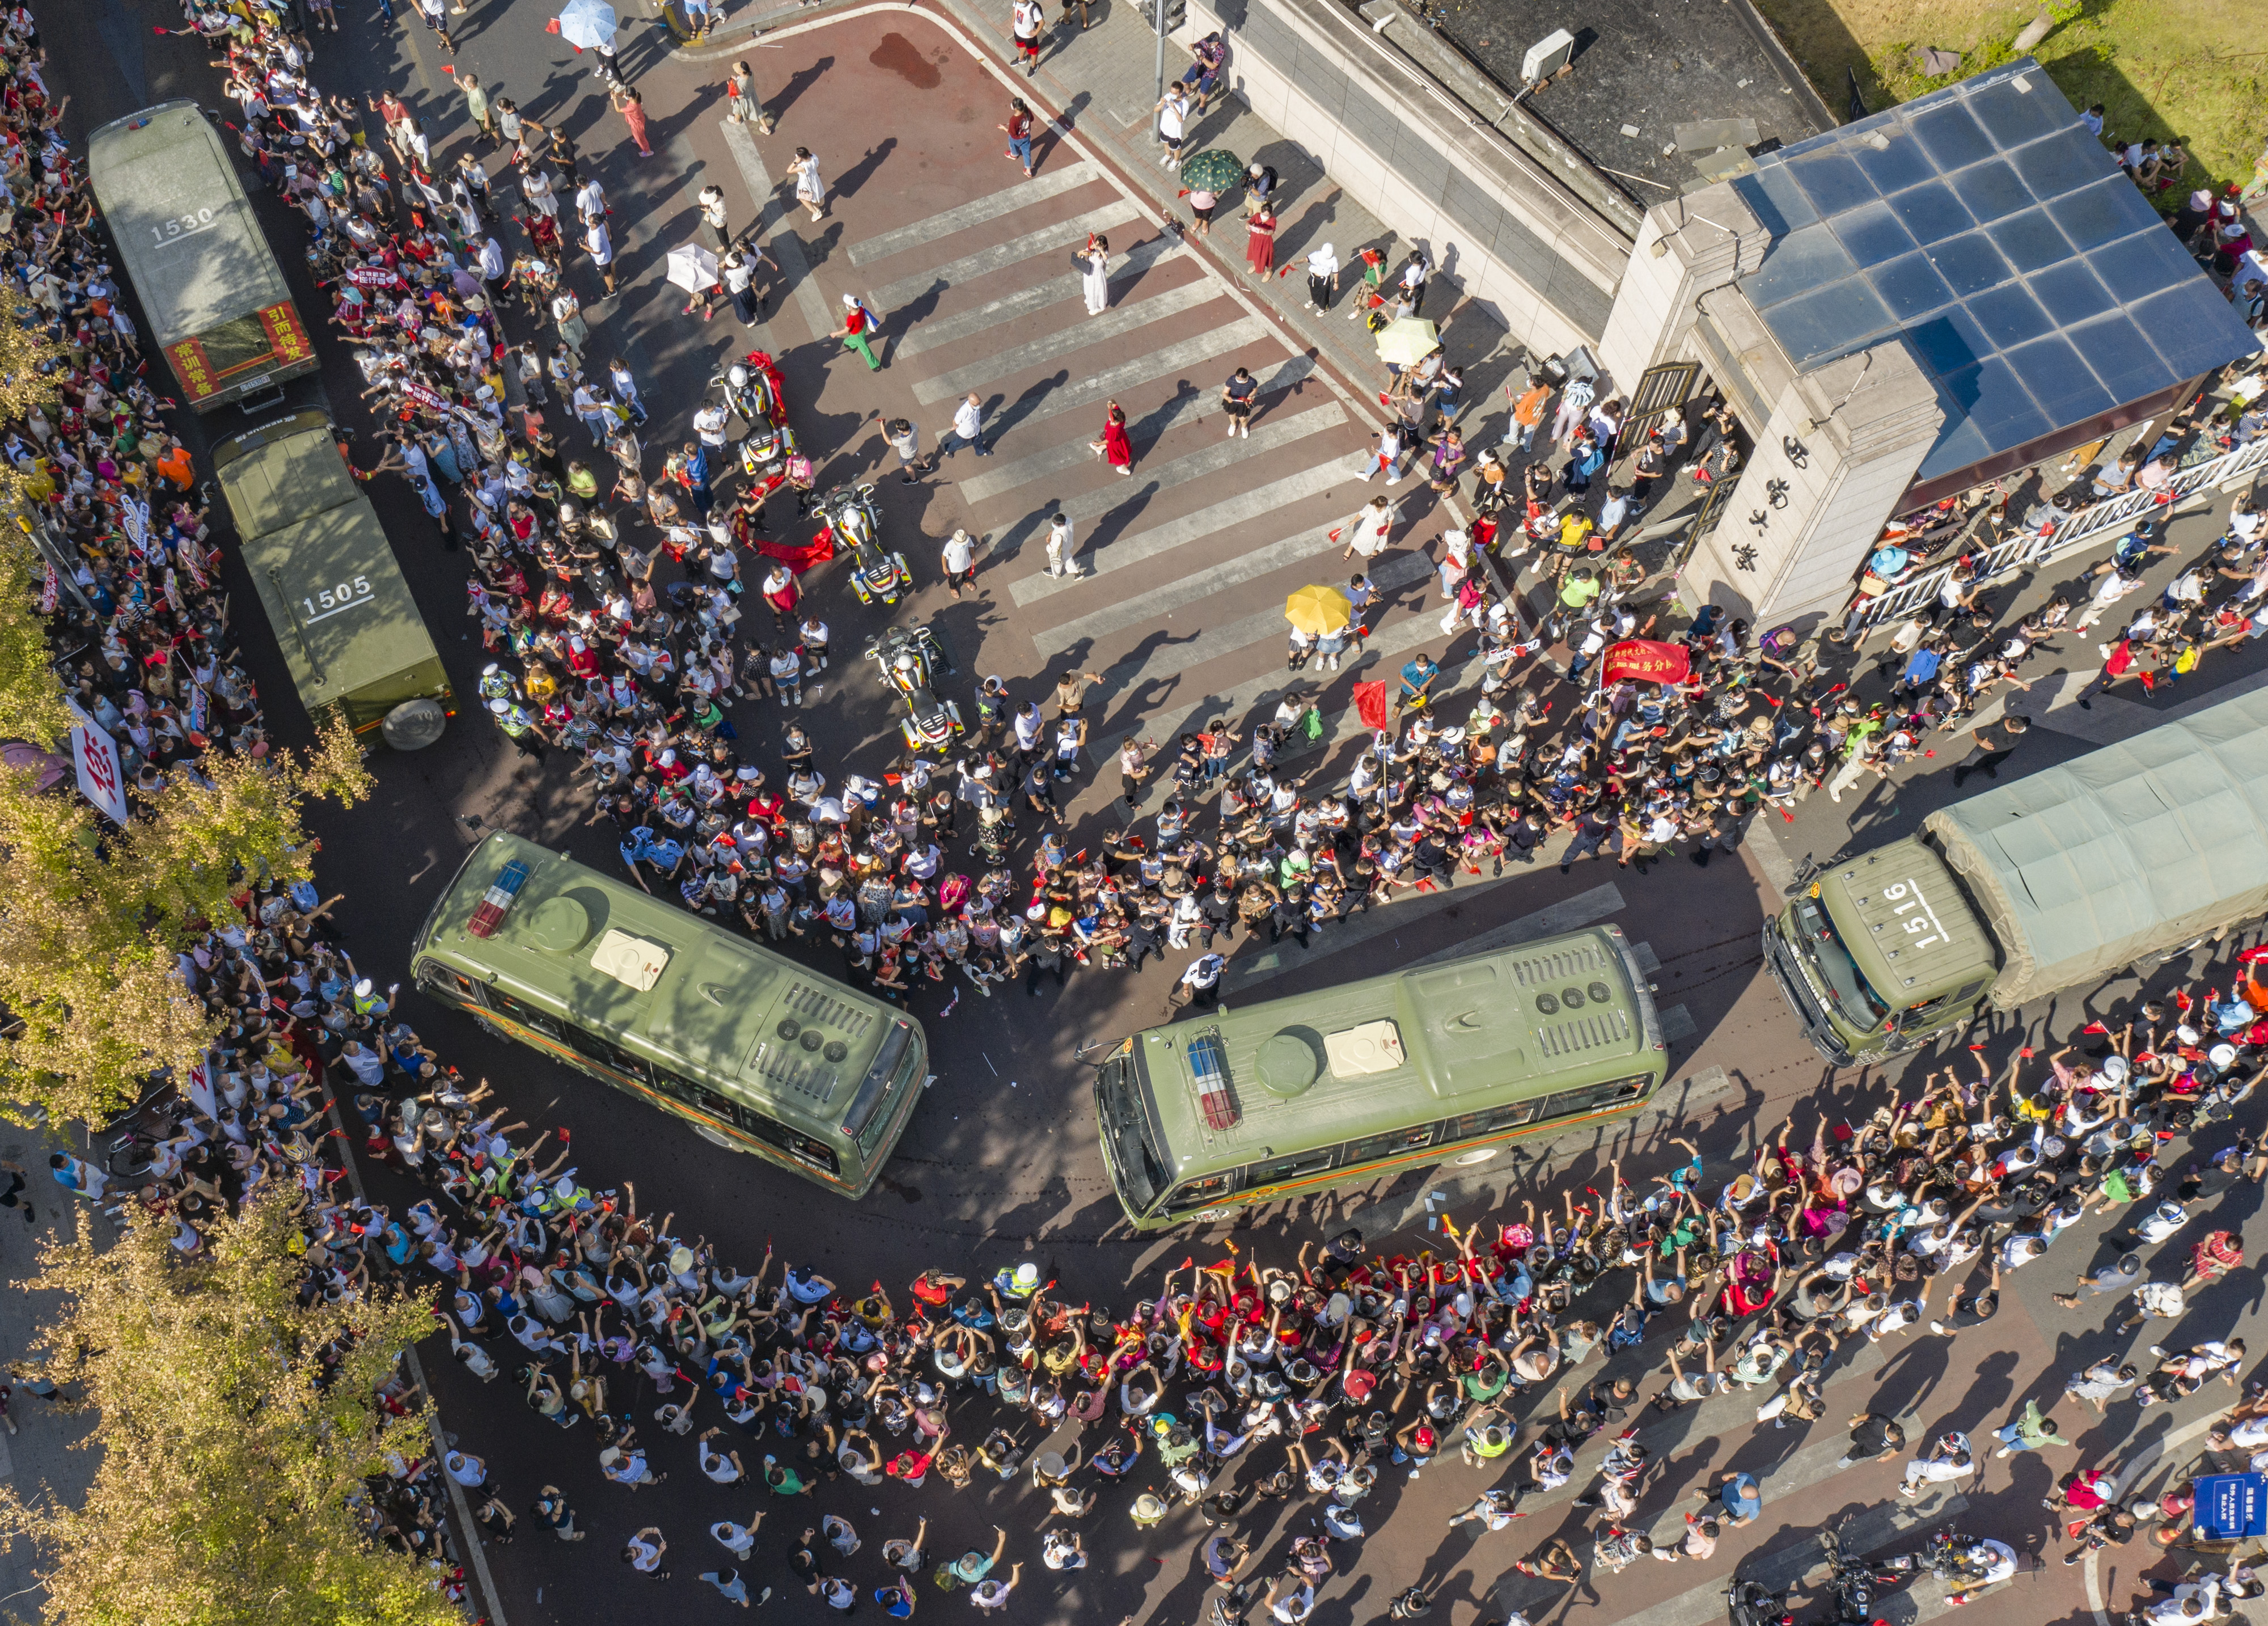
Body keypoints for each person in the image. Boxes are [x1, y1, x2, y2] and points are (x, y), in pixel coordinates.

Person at [1000, 97, 1037, 178]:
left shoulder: (1013, 120)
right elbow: (1032, 119)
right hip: (1026, 136)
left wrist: (1003, 128)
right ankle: (1028, 171)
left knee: (1012, 141)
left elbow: (1012, 134)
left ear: (1015, 108)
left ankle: (1014, 154)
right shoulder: (1027, 110)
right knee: (1027, 153)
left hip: (1017, 139)